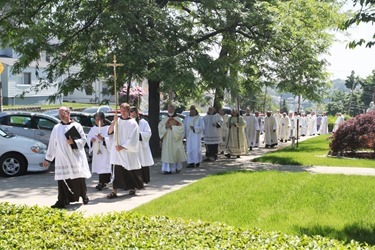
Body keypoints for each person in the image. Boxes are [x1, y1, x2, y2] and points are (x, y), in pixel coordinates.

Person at [43, 107, 91, 209]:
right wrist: (48, 159)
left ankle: (84, 195)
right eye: (59, 113)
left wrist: (73, 142)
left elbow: (83, 140)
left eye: (62, 112)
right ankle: (62, 200)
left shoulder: (77, 126)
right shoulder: (56, 128)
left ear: (68, 113)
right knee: (62, 179)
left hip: (75, 157)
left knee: (78, 178)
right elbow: (52, 144)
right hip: (62, 158)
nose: (60, 115)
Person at [106, 103, 144, 198]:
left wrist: (123, 146)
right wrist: (114, 122)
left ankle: (132, 188)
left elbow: (133, 138)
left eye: (124, 111)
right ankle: (114, 191)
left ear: (128, 111)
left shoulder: (133, 123)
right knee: (116, 171)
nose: (122, 112)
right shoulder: (117, 121)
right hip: (117, 151)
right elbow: (109, 132)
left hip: (127, 151)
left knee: (129, 170)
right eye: (121, 110)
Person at [158, 103, 186, 174]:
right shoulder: (164, 119)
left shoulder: (178, 119)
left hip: (175, 140)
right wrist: (165, 127)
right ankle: (167, 169)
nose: (170, 110)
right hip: (167, 139)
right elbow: (160, 128)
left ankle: (177, 168)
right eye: (169, 108)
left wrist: (172, 127)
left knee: (176, 153)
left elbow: (182, 128)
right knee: (167, 154)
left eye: (171, 108)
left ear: (174, 109)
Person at [87, 112, 111, 191]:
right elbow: (88, 137)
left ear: (103, 119)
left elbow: (111, 139)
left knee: (105, 165)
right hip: (97, 151)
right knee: (100, 166)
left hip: (105, 150)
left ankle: (103, 182)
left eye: (99, 119)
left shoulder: (108, 128)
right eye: (96, 119)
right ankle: (102, 182)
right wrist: (91, 140)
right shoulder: (93, 129)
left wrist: (103, 139)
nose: (97, 121)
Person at [130, 106, 154, 183]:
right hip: (133, 147)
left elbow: (148, 133)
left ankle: (144, 179)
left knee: (142, 162)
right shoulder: (129, 123)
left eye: (134, 115)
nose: (132, 116)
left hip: (141, 146)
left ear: (137, 114)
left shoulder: (143, 122)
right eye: (131, 115)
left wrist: (139, 135)